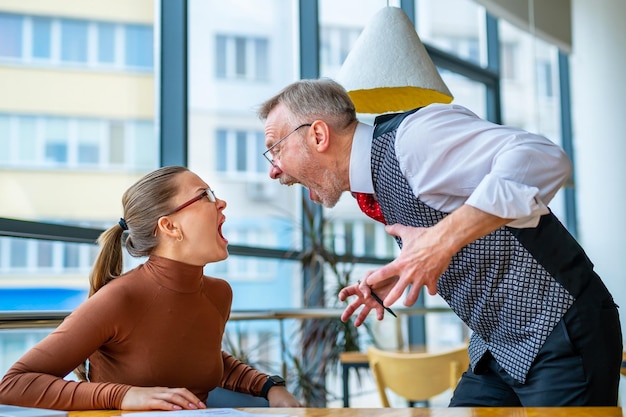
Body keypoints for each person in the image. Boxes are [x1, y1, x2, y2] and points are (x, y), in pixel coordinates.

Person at [257, 78, 622, 407]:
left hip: (560, 330)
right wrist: (399, 275)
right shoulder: (374, 182)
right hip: (495, 347)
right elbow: (452, 227)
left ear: (318, 135)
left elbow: (543, 158)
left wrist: (439, 243)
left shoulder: (415, 138)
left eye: (276, 148)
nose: (273, 170)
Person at [0, 166, 300, 411]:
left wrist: (269, 386)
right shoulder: (120, 298)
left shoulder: (219, 293)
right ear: (169, 226)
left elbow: (203, 358)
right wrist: (123, 396)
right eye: (205, 196)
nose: (221, 203)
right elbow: (11, 383)